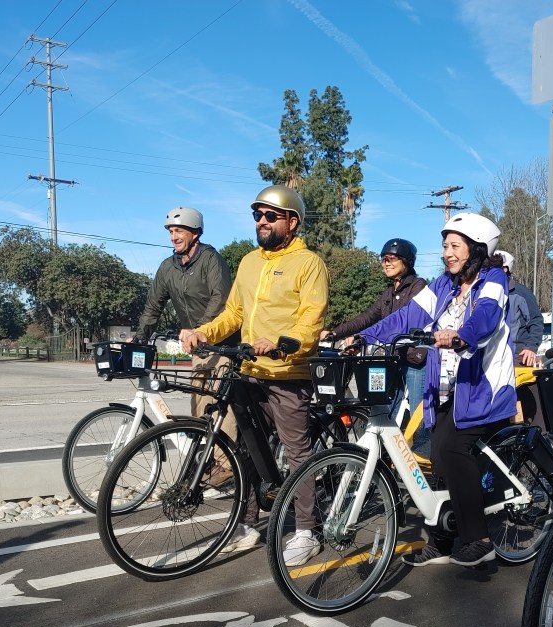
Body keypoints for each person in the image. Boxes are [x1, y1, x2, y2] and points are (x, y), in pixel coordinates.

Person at [357, 212, 517, 567]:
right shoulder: (444, 284)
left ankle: (479, 537)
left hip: (481, 389)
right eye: (445, 245)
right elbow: (407, 317)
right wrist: (358, 336)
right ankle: (443, 539)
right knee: (439, 461)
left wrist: (461, 335)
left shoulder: (493, 279)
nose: (447, 252)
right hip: (444, 389)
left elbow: (487, 316)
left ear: (476, 248)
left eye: (454, 245)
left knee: (451, 449)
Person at [182, 186, 329, 562]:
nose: (261, 222)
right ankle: (248, 524)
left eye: (270, 216)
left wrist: (282, 342)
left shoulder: (309, 263)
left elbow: (311, 320)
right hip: (249, 371)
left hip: (287, 372)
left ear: (292, 221)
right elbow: (234, 314)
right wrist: (204, 332)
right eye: (257, 216)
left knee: (298, 453)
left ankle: (306, 532)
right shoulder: (249, 262)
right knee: (245, 449)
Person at [137, 207, 236, 431]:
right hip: (197, 347)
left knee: (220, 410)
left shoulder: (211, 259)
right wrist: (140, 337)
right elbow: (153, 305)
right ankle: (203, 460)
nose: (174, 237)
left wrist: (199, 330)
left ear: (195, 233)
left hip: (223, 345)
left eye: (179, 230)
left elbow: (220, 299)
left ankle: (224, 465)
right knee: (198, 409)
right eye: (171, 231)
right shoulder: (167, 268)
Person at [322, 238, 428, 447]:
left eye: (391, 258)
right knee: (387, 410)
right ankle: (389, 459)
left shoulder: (419, 287)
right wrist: (335, 333)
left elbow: (404, 323)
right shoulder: (389, 293)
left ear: (407, 261)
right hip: (393, 359)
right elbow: (366, 317)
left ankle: (425, 466)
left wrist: (366, 338)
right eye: (383, 259)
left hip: (416, 359)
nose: (386, 263)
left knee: (419, 415)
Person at [494, 250, 543, 367]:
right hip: (490, 355)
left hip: (516, 354)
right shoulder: (484, 292)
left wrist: (531, 347)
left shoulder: (521, 293)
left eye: (494, 268)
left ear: (505, 269)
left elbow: (536, 321)